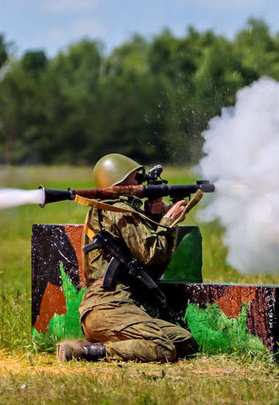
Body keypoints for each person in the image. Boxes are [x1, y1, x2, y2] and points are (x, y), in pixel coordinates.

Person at [56, 153, 198, 362]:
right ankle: (83, 352)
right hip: (109, 305)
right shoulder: (120, 210)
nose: (141, 183)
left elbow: (143, 257)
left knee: (184, 341)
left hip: (119, 306)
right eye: (135, 178)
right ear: (120, 181)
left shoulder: (111, 210)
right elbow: (153, 255)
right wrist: (168, 221)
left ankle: (105, 346)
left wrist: (155, 217)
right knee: (162, 348)